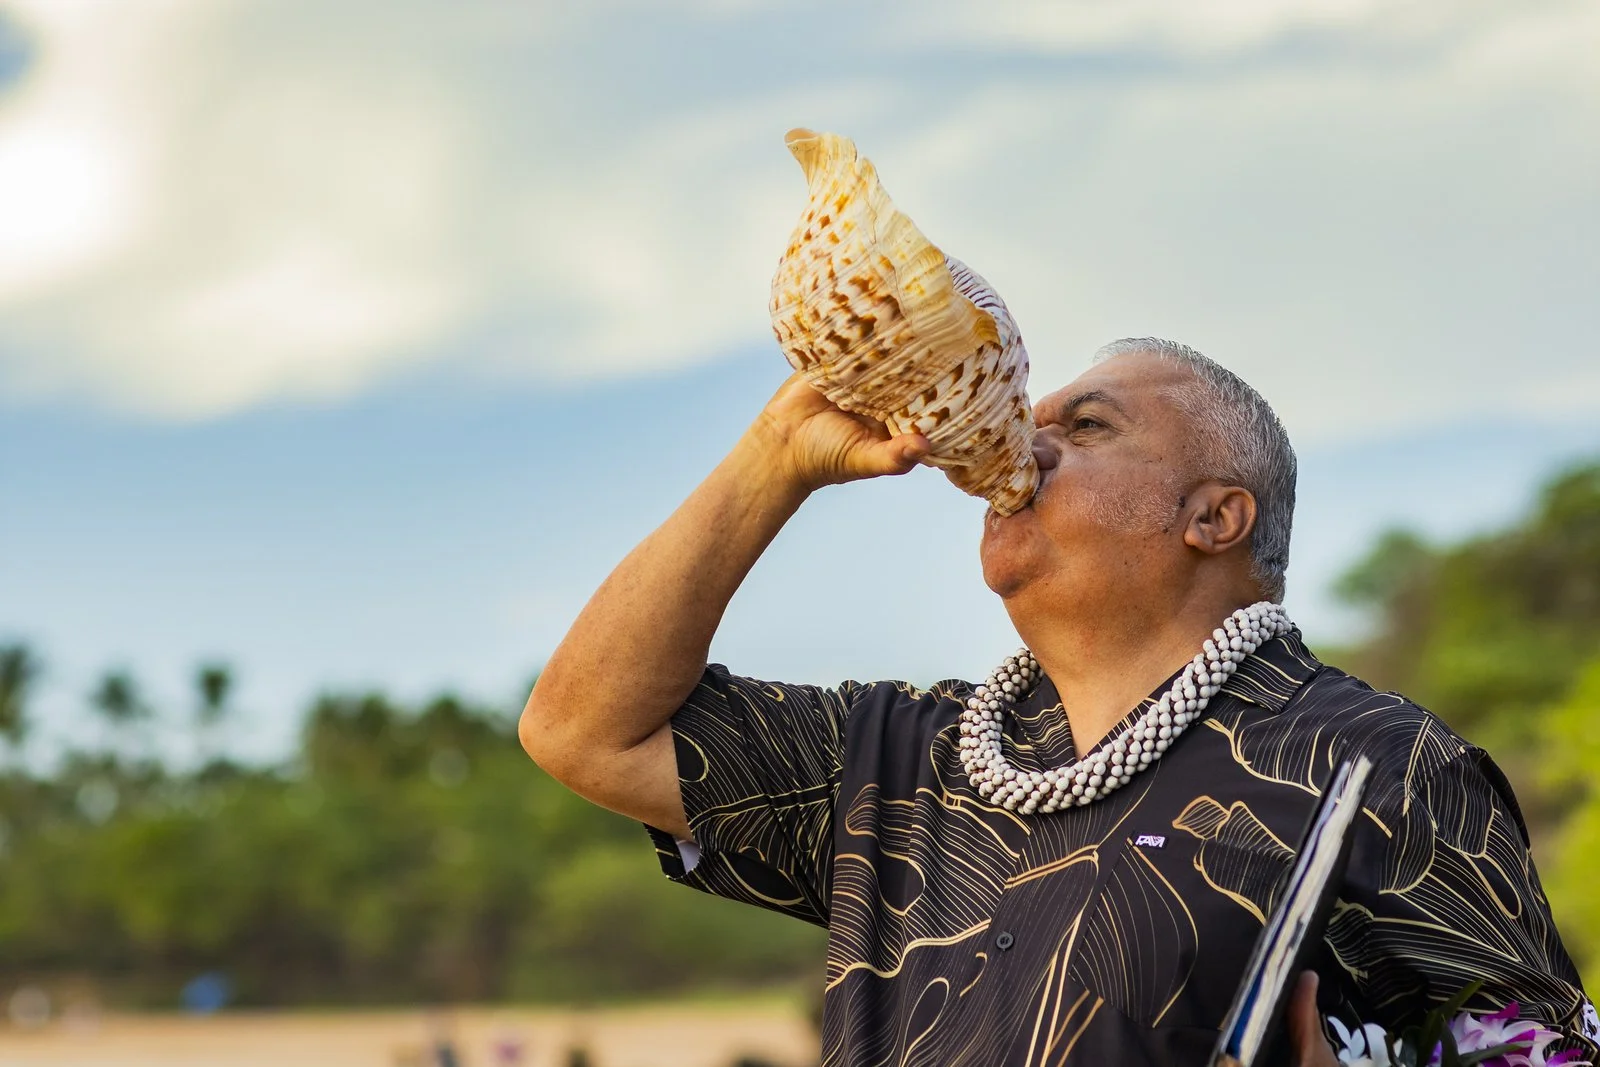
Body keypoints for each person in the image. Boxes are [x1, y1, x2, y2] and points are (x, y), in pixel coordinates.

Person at [521, 338, 1599, 1066]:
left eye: (1085, 427)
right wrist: (775, 458)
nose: (1019, 444)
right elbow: (581, 728)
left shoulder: (1379, 762)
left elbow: (1546, 1049)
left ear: (1215, 516)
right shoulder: (900, 754)